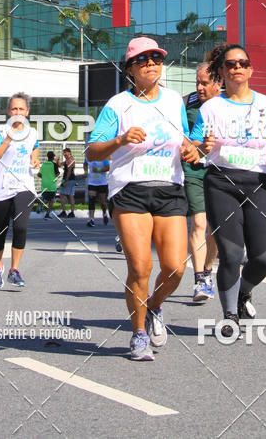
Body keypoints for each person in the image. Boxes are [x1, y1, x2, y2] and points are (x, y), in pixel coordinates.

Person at [86, 36, 199, 361]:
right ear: (131, 69)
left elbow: (187, 140)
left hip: (169, 188)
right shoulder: (118, 105)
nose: (152, 63)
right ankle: (137, 335)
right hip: (130, 189)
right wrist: (120, 140)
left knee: (176, 268)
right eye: (143, 59)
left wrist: (192, 148)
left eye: (157, 58)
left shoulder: (175, 100)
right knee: (140, 266)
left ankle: (154, 306)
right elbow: (93, 151)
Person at [190, 43, 266, 337]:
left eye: (243, 63)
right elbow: (192, 146)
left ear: (251, 69)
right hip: (222, 182)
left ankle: (245, 291)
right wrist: (201, 147)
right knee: (231, 254)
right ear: (222, 72)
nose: (237, 68)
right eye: (231, 64)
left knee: (263, 257)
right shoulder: (211, 108)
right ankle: (230, 315)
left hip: (259, 183)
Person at [0, 92, 40, 288]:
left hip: (24, 186)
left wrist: (34, 159)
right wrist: (8, 140)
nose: (18, 112)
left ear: (27, 112)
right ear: (9, 111)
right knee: (0, 232)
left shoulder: (32, 132)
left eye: (21, 109)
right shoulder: (0, 131)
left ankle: (14, 269)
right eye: (14, 109)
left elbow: (34, 147)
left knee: (20, 227)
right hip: (1, 187)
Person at [184, 62, 220, 303]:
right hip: (193, 171)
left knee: (215, 229)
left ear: (219, 84)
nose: (199, 87)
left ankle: (207, 270)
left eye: (204, 83)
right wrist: (199, 145)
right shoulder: (187, 104)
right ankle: (199, 280)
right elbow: (182, 140)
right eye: (197, 82)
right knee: (198, 223)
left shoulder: (230, 107)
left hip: (220, 172)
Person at [87, 158, 110, 226]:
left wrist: (98, 170)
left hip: (102, 183)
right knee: (91, 200)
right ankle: (91, 219)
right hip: (92, 183)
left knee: (102, 202)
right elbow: (85, 164)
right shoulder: (89, 157)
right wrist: (85, 172)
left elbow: (107, 168)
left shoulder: (103, 158)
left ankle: (105, 213)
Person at [38, 150, 60, 218]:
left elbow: (39, 174)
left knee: (45, 197)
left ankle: (41, 203)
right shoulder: (54, 165)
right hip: (51, 185)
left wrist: (44, 177)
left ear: (47, 157)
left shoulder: (44, 164)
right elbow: (57, 174)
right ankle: (47, 214)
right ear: (53, 157)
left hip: (44, 185)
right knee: (52, 200)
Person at [58, 147, 76, 218]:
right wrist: (57, 161)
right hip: (71, 179)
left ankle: (64, 211)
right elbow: (60, 165)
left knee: (62, 195)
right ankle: (72, 212)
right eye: (63, 153)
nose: (64, 154)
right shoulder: (68, 160)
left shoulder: (70, 160)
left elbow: (69, 171)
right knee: (71, 196)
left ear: (69, 153)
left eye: (65, 152)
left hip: (68, 179)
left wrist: (65, 181)